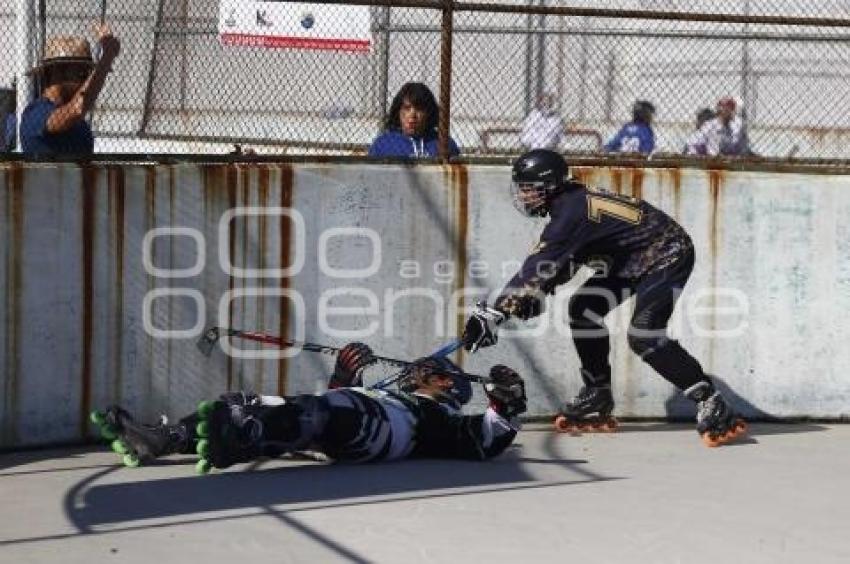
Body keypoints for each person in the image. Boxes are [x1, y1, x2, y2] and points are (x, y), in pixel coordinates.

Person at [461, 149, 747, 447]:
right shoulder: (569, 204)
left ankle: (710, 400)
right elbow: (568, 258)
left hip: (667, 252)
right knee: (583, 309)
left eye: (528, 188)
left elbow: (541, 263)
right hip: (633, 257)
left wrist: (494, 313)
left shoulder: (570, 213)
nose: (523, 195)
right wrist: (536, 291)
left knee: (644, 335)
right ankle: (597, 391)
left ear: (547, 185)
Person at [90, 342, 526, 471]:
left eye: (426, 372)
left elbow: (486, 439)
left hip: (381, 431)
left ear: (446, 385)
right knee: (250, 404)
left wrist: (508, 401)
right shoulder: (393, 396)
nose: (415, 373)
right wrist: (343, 375)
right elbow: (333, 402)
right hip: (357, 422)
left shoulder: (438, 415)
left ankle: (247, 435)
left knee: (317, 413)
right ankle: (162, 439)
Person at [20, 24, 120, 156]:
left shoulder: (80, 124)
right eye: (82, 73)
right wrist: (107, 56)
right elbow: (75, 111)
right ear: (59, 71)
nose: (86, 81)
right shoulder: (36, 112)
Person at [368, 82, 460, 158]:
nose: (412, 115)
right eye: (407, 108)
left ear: (428, 113)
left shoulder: (443, 143)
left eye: (419, 109)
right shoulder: (384, 144)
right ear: (398, 112)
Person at [687, 97, 752, 157]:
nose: (731, 113)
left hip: (726, 157)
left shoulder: (734, 127)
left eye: (731, 110)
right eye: (725, 109)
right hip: (705, 155)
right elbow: (695, 143)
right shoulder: (711, 125)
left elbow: (740, 146)